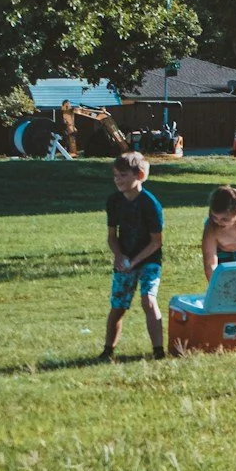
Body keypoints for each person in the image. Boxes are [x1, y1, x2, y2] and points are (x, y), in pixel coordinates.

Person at [102, 152, 165, 360]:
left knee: (148, 300)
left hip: (149, 259)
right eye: (115, 176)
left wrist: (135, 262)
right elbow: (112, 236)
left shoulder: (150, 204)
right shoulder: (113, 201)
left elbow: (156, 241)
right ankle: (108, 350)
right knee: (118, 306)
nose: (117, 180)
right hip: (125, 260)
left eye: (122, 175)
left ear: (138, 175)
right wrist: (119, 256)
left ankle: (158, 351)